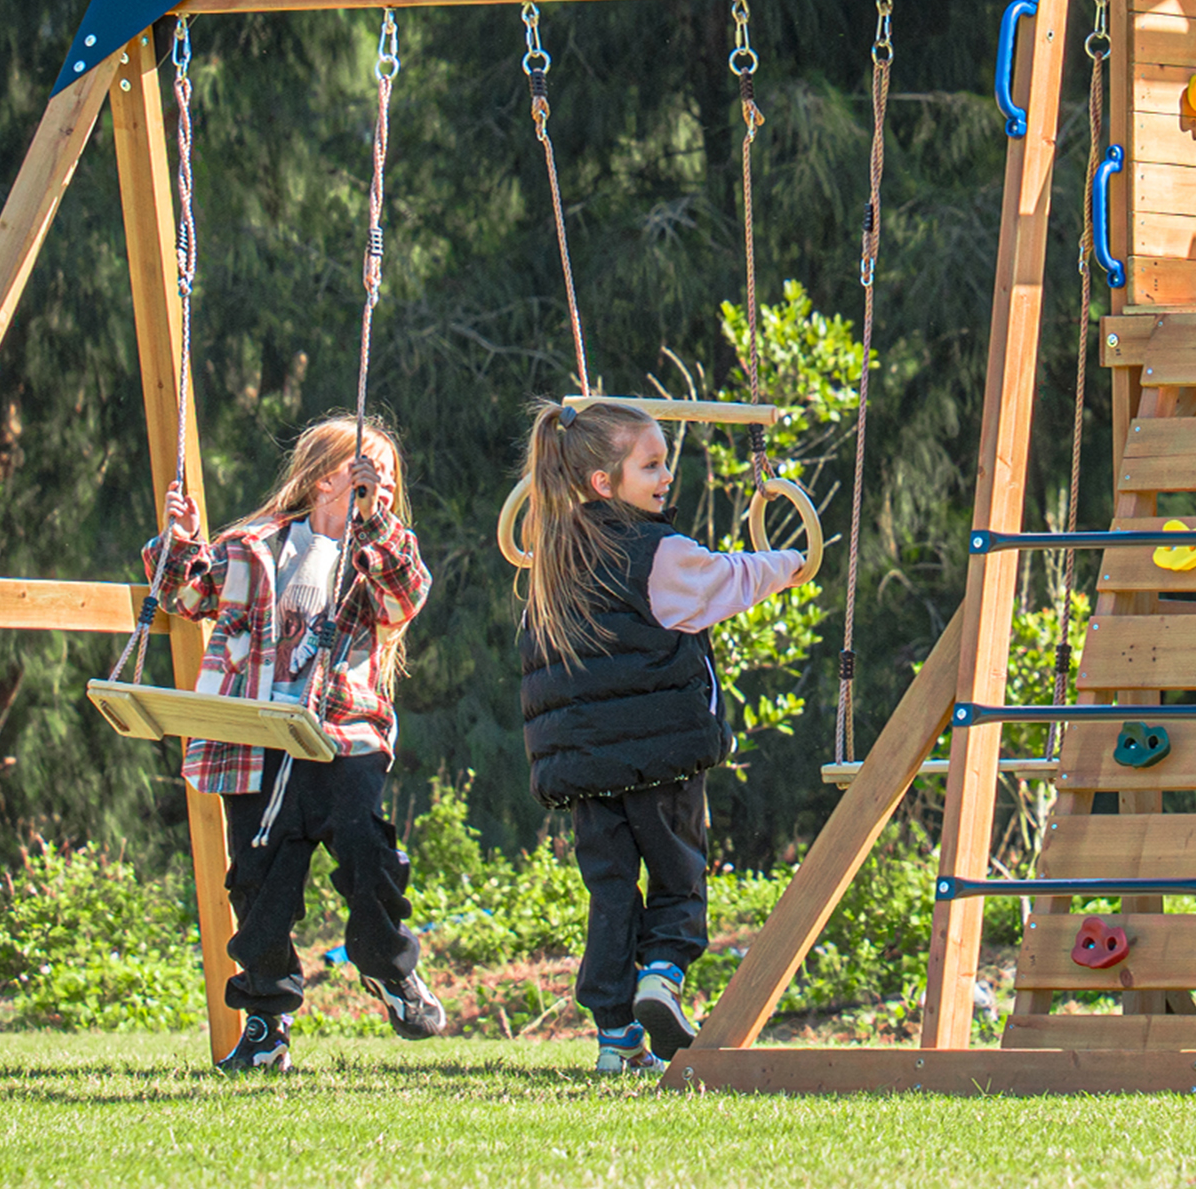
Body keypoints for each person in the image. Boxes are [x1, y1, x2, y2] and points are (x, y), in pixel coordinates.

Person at [501, 396, 815, 1076]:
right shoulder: (657, 553)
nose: (666, 475)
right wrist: (788, 562)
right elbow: (725, 581)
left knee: (610, 891)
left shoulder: (553, 558)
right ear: (602, 483)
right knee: (678, 875)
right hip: (660, 758)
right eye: (651, 465)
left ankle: (616, 1037)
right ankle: (662, 975)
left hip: (586, 770)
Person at [149, 413, 446, 1074]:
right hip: (257, 739)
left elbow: (406, 597)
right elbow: (183, 592)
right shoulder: (256, 546)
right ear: (318, 479)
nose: (377, 486)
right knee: (259, 884)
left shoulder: (377, 556)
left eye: (387, 478)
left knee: (366, 848)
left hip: (341, 733)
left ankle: (387, 968)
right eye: (361, 472)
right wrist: (181, 538)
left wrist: (377, 525)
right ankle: (266, 1018)